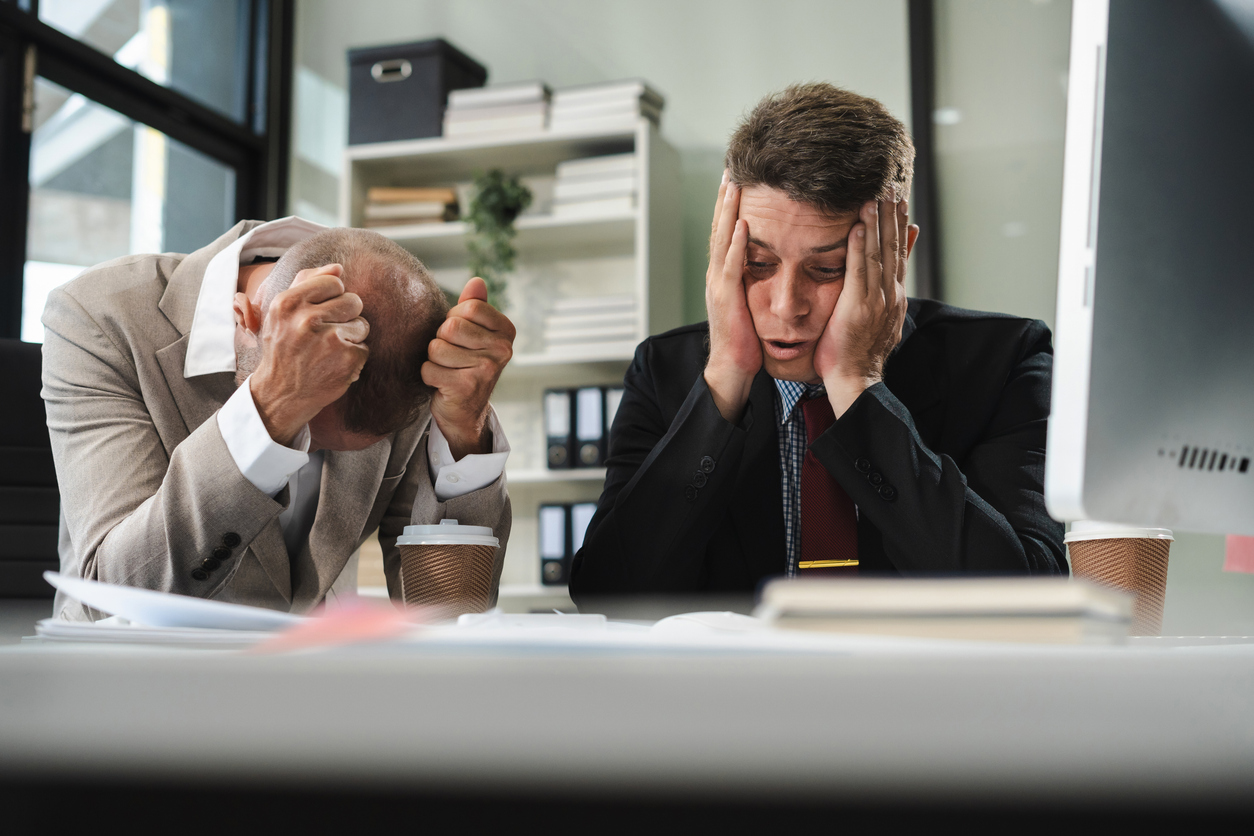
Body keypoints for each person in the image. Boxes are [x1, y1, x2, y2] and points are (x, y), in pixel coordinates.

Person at [569, 83, 1065, 599]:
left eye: (826, 269)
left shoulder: (1007, 360)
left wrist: (856, 384)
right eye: (757, 264)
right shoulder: (662, 371)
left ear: (897, 254)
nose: (787, 305)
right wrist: (725, 379)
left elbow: (1028, 597)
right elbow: (606, 594)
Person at [42, 218, 515, 620]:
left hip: (303, 695)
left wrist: (463, 438)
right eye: (305, 433)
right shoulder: (101, 315)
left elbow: (446, 617)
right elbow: (112, 599)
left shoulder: (401, 338)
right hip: (126, 693)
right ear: (243, 320)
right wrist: (272, 407)